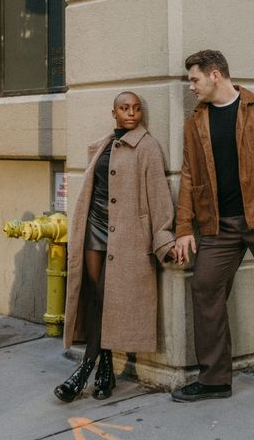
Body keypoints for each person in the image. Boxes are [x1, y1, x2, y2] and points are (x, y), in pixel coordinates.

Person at [171, 50, 254, 414]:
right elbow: (188, 176)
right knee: (204, 286)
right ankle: (214, 379)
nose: (191, 86)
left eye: (195, 79)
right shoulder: (195, 122)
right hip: (218, 225)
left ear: (215, 75)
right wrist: (184, 227)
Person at [54, 91, 177, 403]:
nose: (132, 114)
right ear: (114, 113)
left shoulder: (147, 147)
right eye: (125, 109)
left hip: (126, 237)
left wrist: (163, 238)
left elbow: (160, 197)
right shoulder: (104, 144)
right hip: (95, 227)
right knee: (97, 297)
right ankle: (106, 366)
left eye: (136, 108)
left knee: (108, 298)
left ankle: (84, 371)